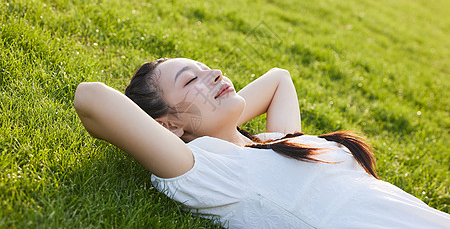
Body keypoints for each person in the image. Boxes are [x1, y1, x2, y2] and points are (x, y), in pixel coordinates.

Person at [74, 57, 450, 228]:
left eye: (207, 69)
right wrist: (181, 129)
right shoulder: (207, 169)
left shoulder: (276, 141)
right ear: (166, 126)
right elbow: (91, 98)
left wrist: (212, 116)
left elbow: (278, 79)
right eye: (192, 81)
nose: (216, 74)